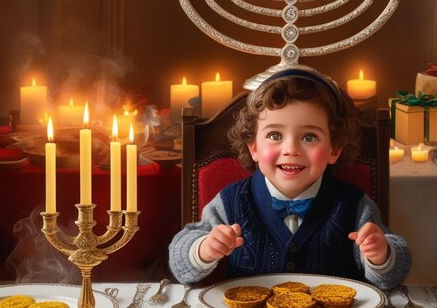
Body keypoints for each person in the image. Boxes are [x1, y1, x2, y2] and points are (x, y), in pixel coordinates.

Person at [168, 67, 411, 289]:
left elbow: (392, 276)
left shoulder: (355, 205)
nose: (291, 149)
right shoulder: (230, 202)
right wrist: (204, 249)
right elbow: (180, 263)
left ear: (334, 149)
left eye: (309, 137)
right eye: (275, 135)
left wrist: (381, 255)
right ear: (253, 147)